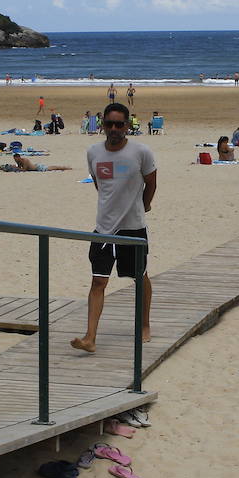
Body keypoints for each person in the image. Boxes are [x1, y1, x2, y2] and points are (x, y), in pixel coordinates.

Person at [70, 103, 157, 354]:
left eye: (120, 124)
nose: (115, 129)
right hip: (104, 228)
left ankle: (144, 325)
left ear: (127, 126)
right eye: (109, 124)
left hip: (133, 227)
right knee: (98, 281)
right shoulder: (93, 152)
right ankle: (90, 337)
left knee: (139, 276)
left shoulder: (141, 151)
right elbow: (100, 185)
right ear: (103, 125)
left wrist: (144, 206)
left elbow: (151, 183)